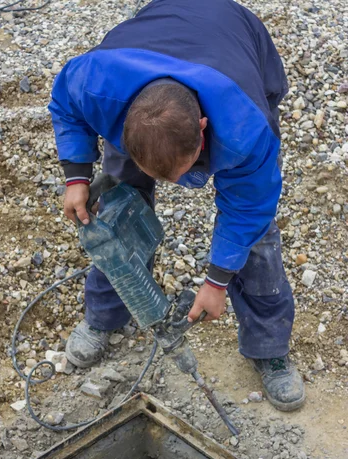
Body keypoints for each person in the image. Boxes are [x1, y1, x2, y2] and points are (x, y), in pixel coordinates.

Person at [48, 0, 305, 412]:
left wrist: (217, 281)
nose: (173, 187)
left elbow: (248, 209)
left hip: (234, 44)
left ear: (203, 131)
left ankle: (268, 347)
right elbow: (65, 106)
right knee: (113, 209)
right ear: (123, 121)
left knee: (255, 236)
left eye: (179, 174)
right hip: (158, 31)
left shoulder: (244, 128)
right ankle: (106, 315)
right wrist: (76, 176)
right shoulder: (95, 83)